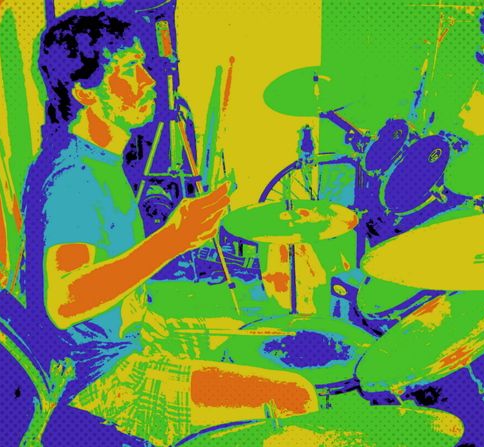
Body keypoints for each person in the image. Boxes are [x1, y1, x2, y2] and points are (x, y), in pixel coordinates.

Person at [24, 8, 317, 446]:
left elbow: (107, 279)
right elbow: (65, 300)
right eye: (128, 70)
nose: (147, 80)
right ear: (85, 91)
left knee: (252, 335)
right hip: (103, 384)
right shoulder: (73, 179)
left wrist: (145, 317)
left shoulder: (98, 159)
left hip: (126, 342)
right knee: (296, 396)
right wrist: (174, 238)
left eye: (142, 65)